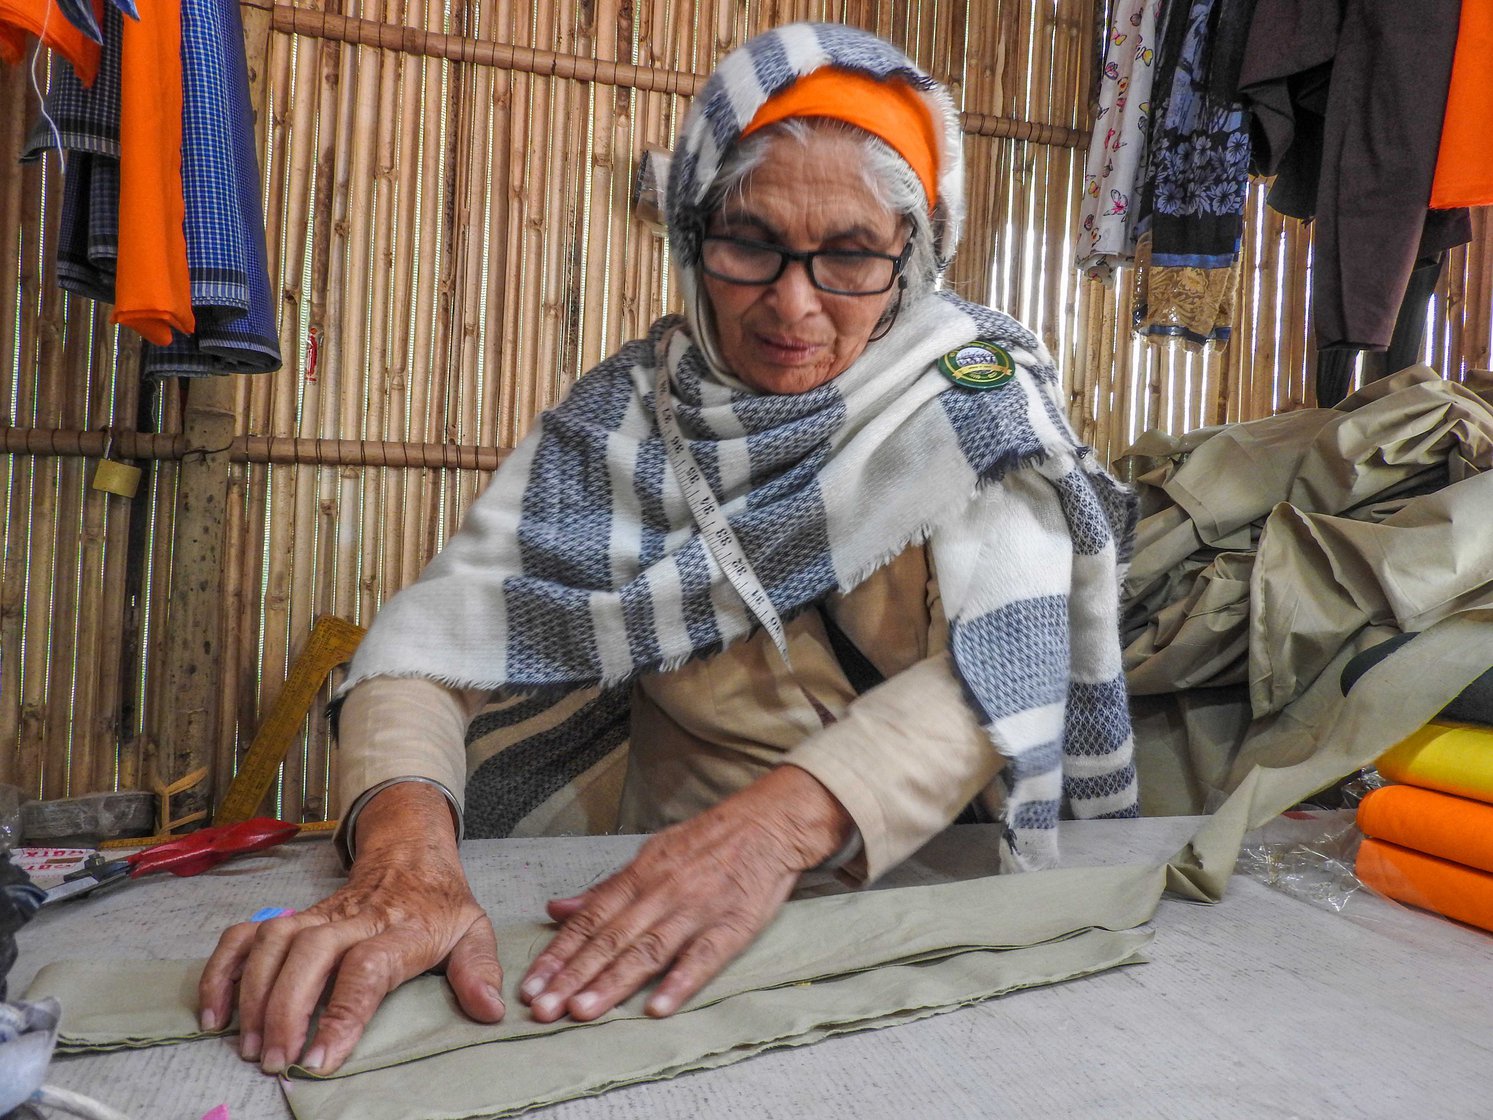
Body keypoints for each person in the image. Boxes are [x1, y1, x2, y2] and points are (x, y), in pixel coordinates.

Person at [199, 21, 1139, 1078]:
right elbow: (424, 647)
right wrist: (406, 861)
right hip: (634, 913)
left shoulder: (974, 394)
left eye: (849, 255)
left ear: (910, 257)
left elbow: (1007, 661)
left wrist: (768, 836)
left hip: (912, 916)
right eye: (750, 244)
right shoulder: (627, 414)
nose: (792, 302)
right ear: (693, 239)